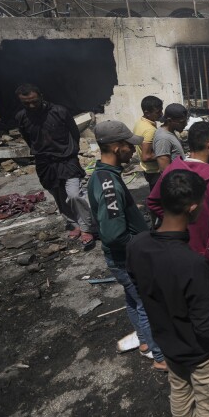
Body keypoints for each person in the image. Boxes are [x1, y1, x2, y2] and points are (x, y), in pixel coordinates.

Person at [128, 169, 209, 417]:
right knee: (208, 406)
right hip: (200, 352)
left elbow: (137, 288)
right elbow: (206, 326)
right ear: (192, 208)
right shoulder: (191, 263)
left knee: (180, 392)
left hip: (168, 343)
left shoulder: (137, 244)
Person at [147, 121, 209, 327]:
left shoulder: (173, 169)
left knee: (189, 295)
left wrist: (178, 221)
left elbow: (153, 202)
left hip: (180, 247)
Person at [87, 120, 166, 372]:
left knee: (132, 299)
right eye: (128, 146)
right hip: (127, 258)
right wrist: (142, 246)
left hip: (122, 258)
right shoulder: (108, 184)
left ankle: (144, 342)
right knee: (148, 303)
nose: (133, 150)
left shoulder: (104, 176)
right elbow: (113, 234)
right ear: (114, 146)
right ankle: (160, 357)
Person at [15, 83, 95, 247]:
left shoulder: (59, 111)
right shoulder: (22, 117)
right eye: (26, 103)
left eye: (34, 101)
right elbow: (28, 138)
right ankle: (74, 224)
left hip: (66, 159)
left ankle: (87, 227)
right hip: (44, 162)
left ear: (41, 96)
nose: (31, 106)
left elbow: (74, 133)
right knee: (59, 196)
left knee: (74, 194)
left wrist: (71, 152)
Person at [133, 95, 163, 190]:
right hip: (154, 171)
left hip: (147, 170)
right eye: (158, 112)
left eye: (161, 110)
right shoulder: (150, 130)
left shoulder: (140, 122)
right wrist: (166, 154)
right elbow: (146, 156)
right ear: (147, 113)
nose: (161, 114)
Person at [153, 103, 188, 172]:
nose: (185, 124)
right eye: (182, 122)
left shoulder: (170, 132)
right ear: (169, 121)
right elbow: (165, 170)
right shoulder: (163, 139)